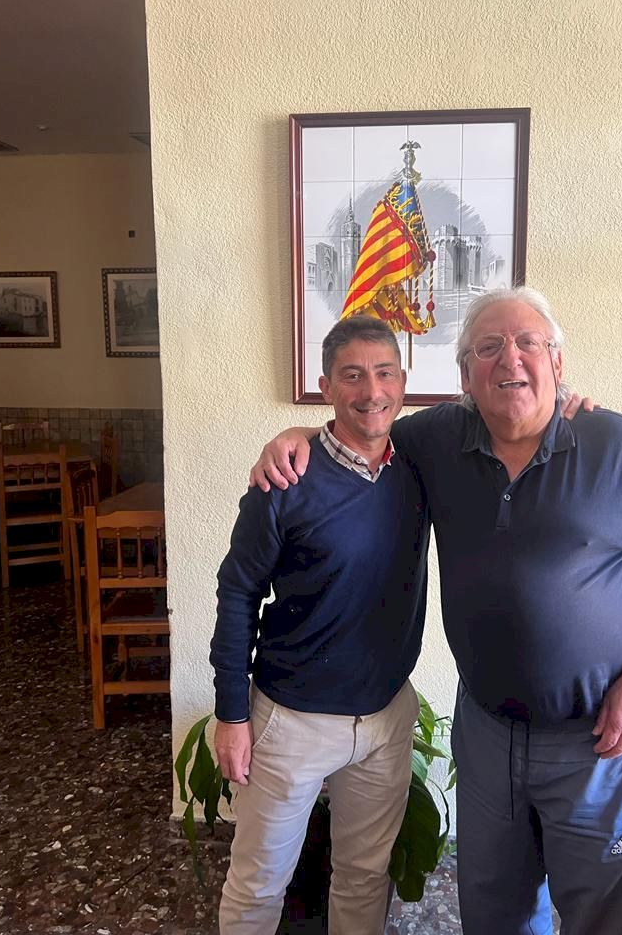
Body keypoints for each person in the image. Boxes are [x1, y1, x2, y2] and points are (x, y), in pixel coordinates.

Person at [250, 286, 622, 935]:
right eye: (488, 347)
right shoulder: (437, 440)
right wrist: (297, 435)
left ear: (558, 362)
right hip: (488, 736)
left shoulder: (620, 447)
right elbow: (362, 429)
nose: (510, 359)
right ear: (465, 377)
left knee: (607, 919)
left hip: (599, 742)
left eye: (529, 343)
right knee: (496, 916)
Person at [210, 315, 428, 935]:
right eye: (352, 375)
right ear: (326, 385)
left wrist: (570, 404)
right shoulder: (284, 480)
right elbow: (237, 593)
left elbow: (508, 412)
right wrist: (232, 714)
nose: (372, 390)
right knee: (258, 884)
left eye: (384, 373)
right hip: (292, 722)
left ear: (403, 380)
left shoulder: (420, 464)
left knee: (365, 875)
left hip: (386, 716)